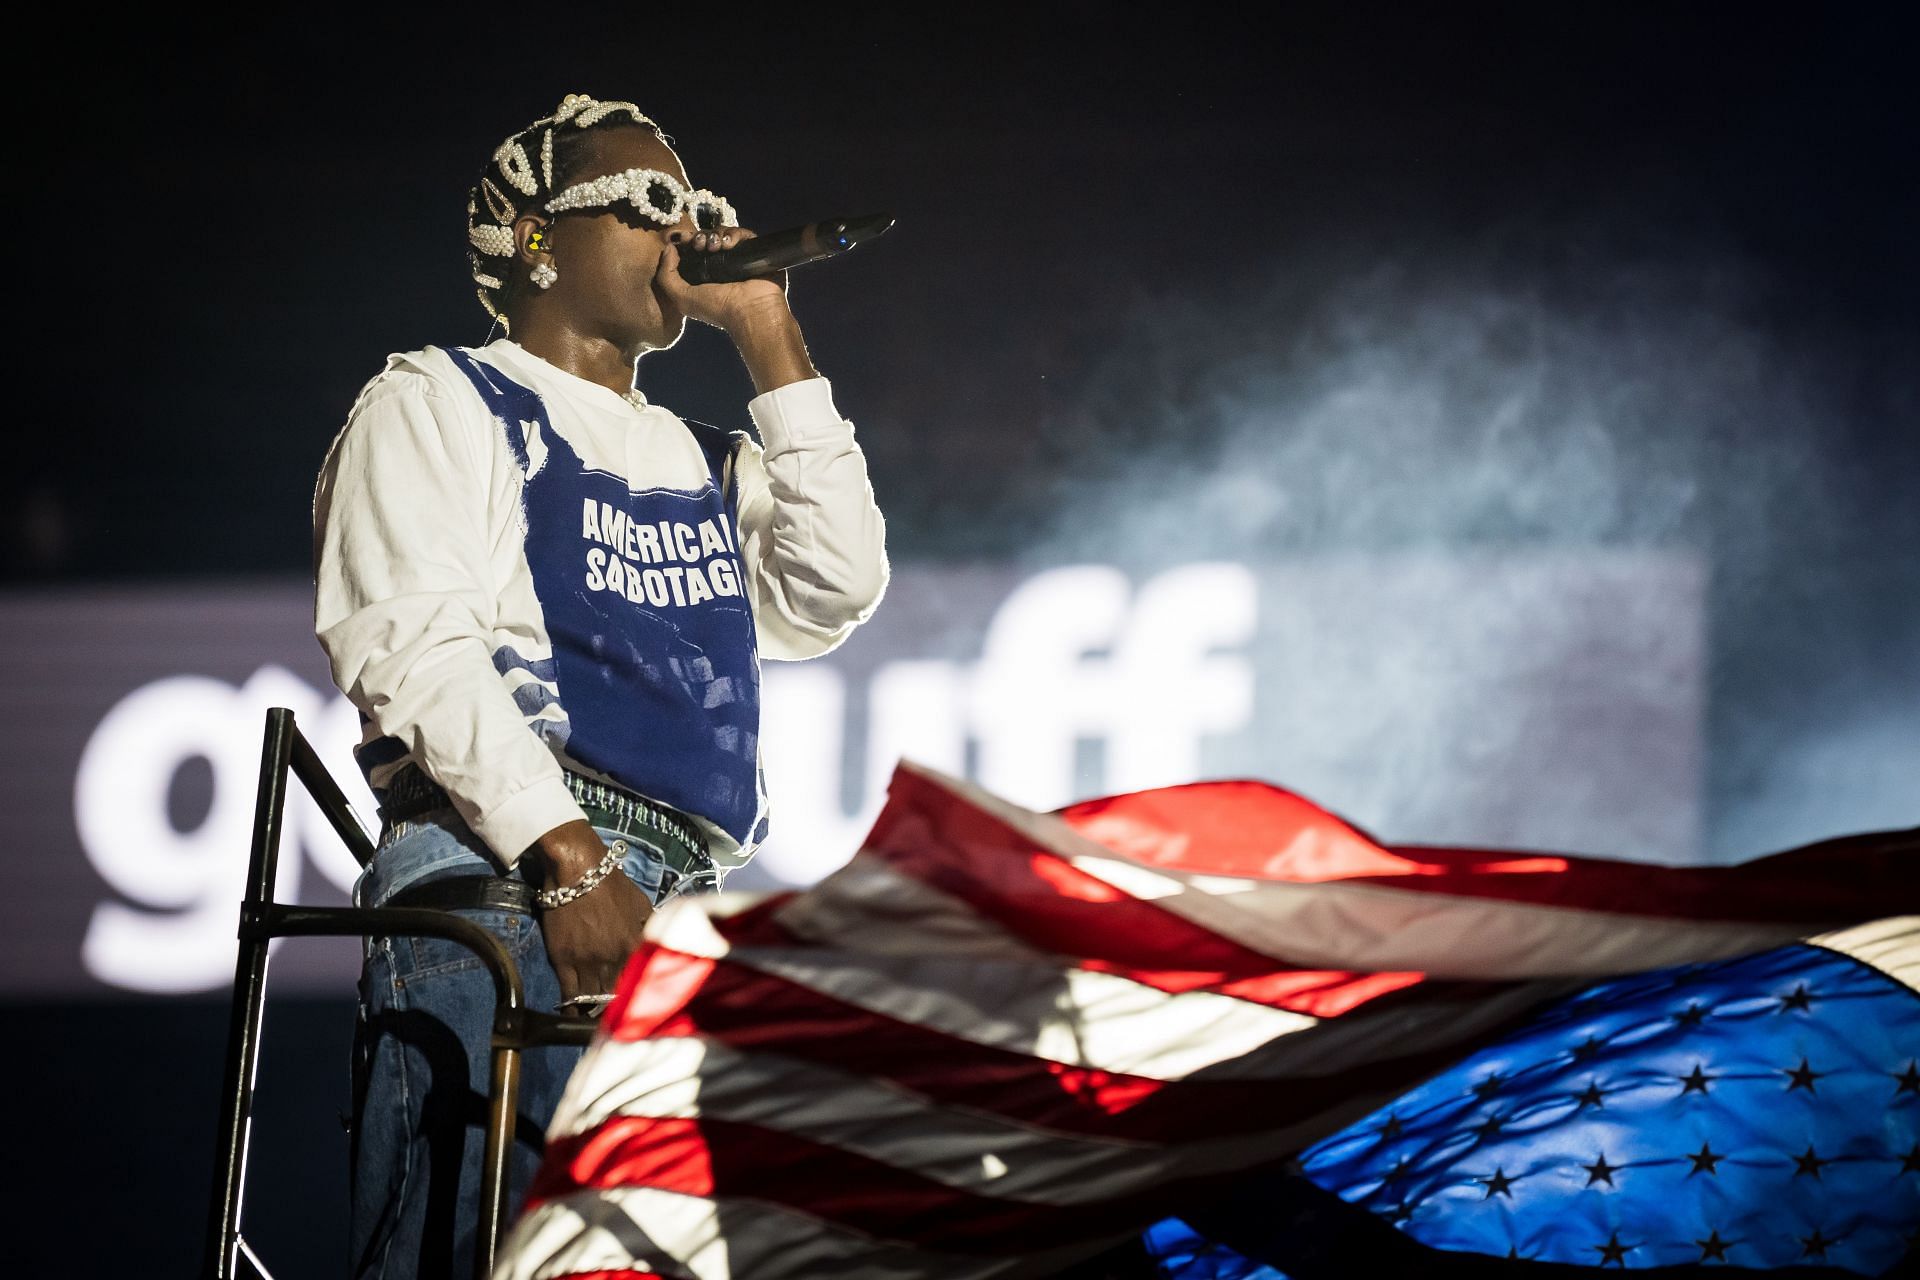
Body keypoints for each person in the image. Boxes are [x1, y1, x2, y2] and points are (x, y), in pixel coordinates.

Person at [311, 91, 889, 1279]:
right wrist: (569, 860)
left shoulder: (699, 455)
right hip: (514, 885)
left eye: (693, 203)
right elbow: (413, 646)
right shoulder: (438, 399)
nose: (683, 229)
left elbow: (837, 584)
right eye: (646, 202)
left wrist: (767, 332)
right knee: (493, 1251)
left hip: (673, 910)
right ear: (536, 239)